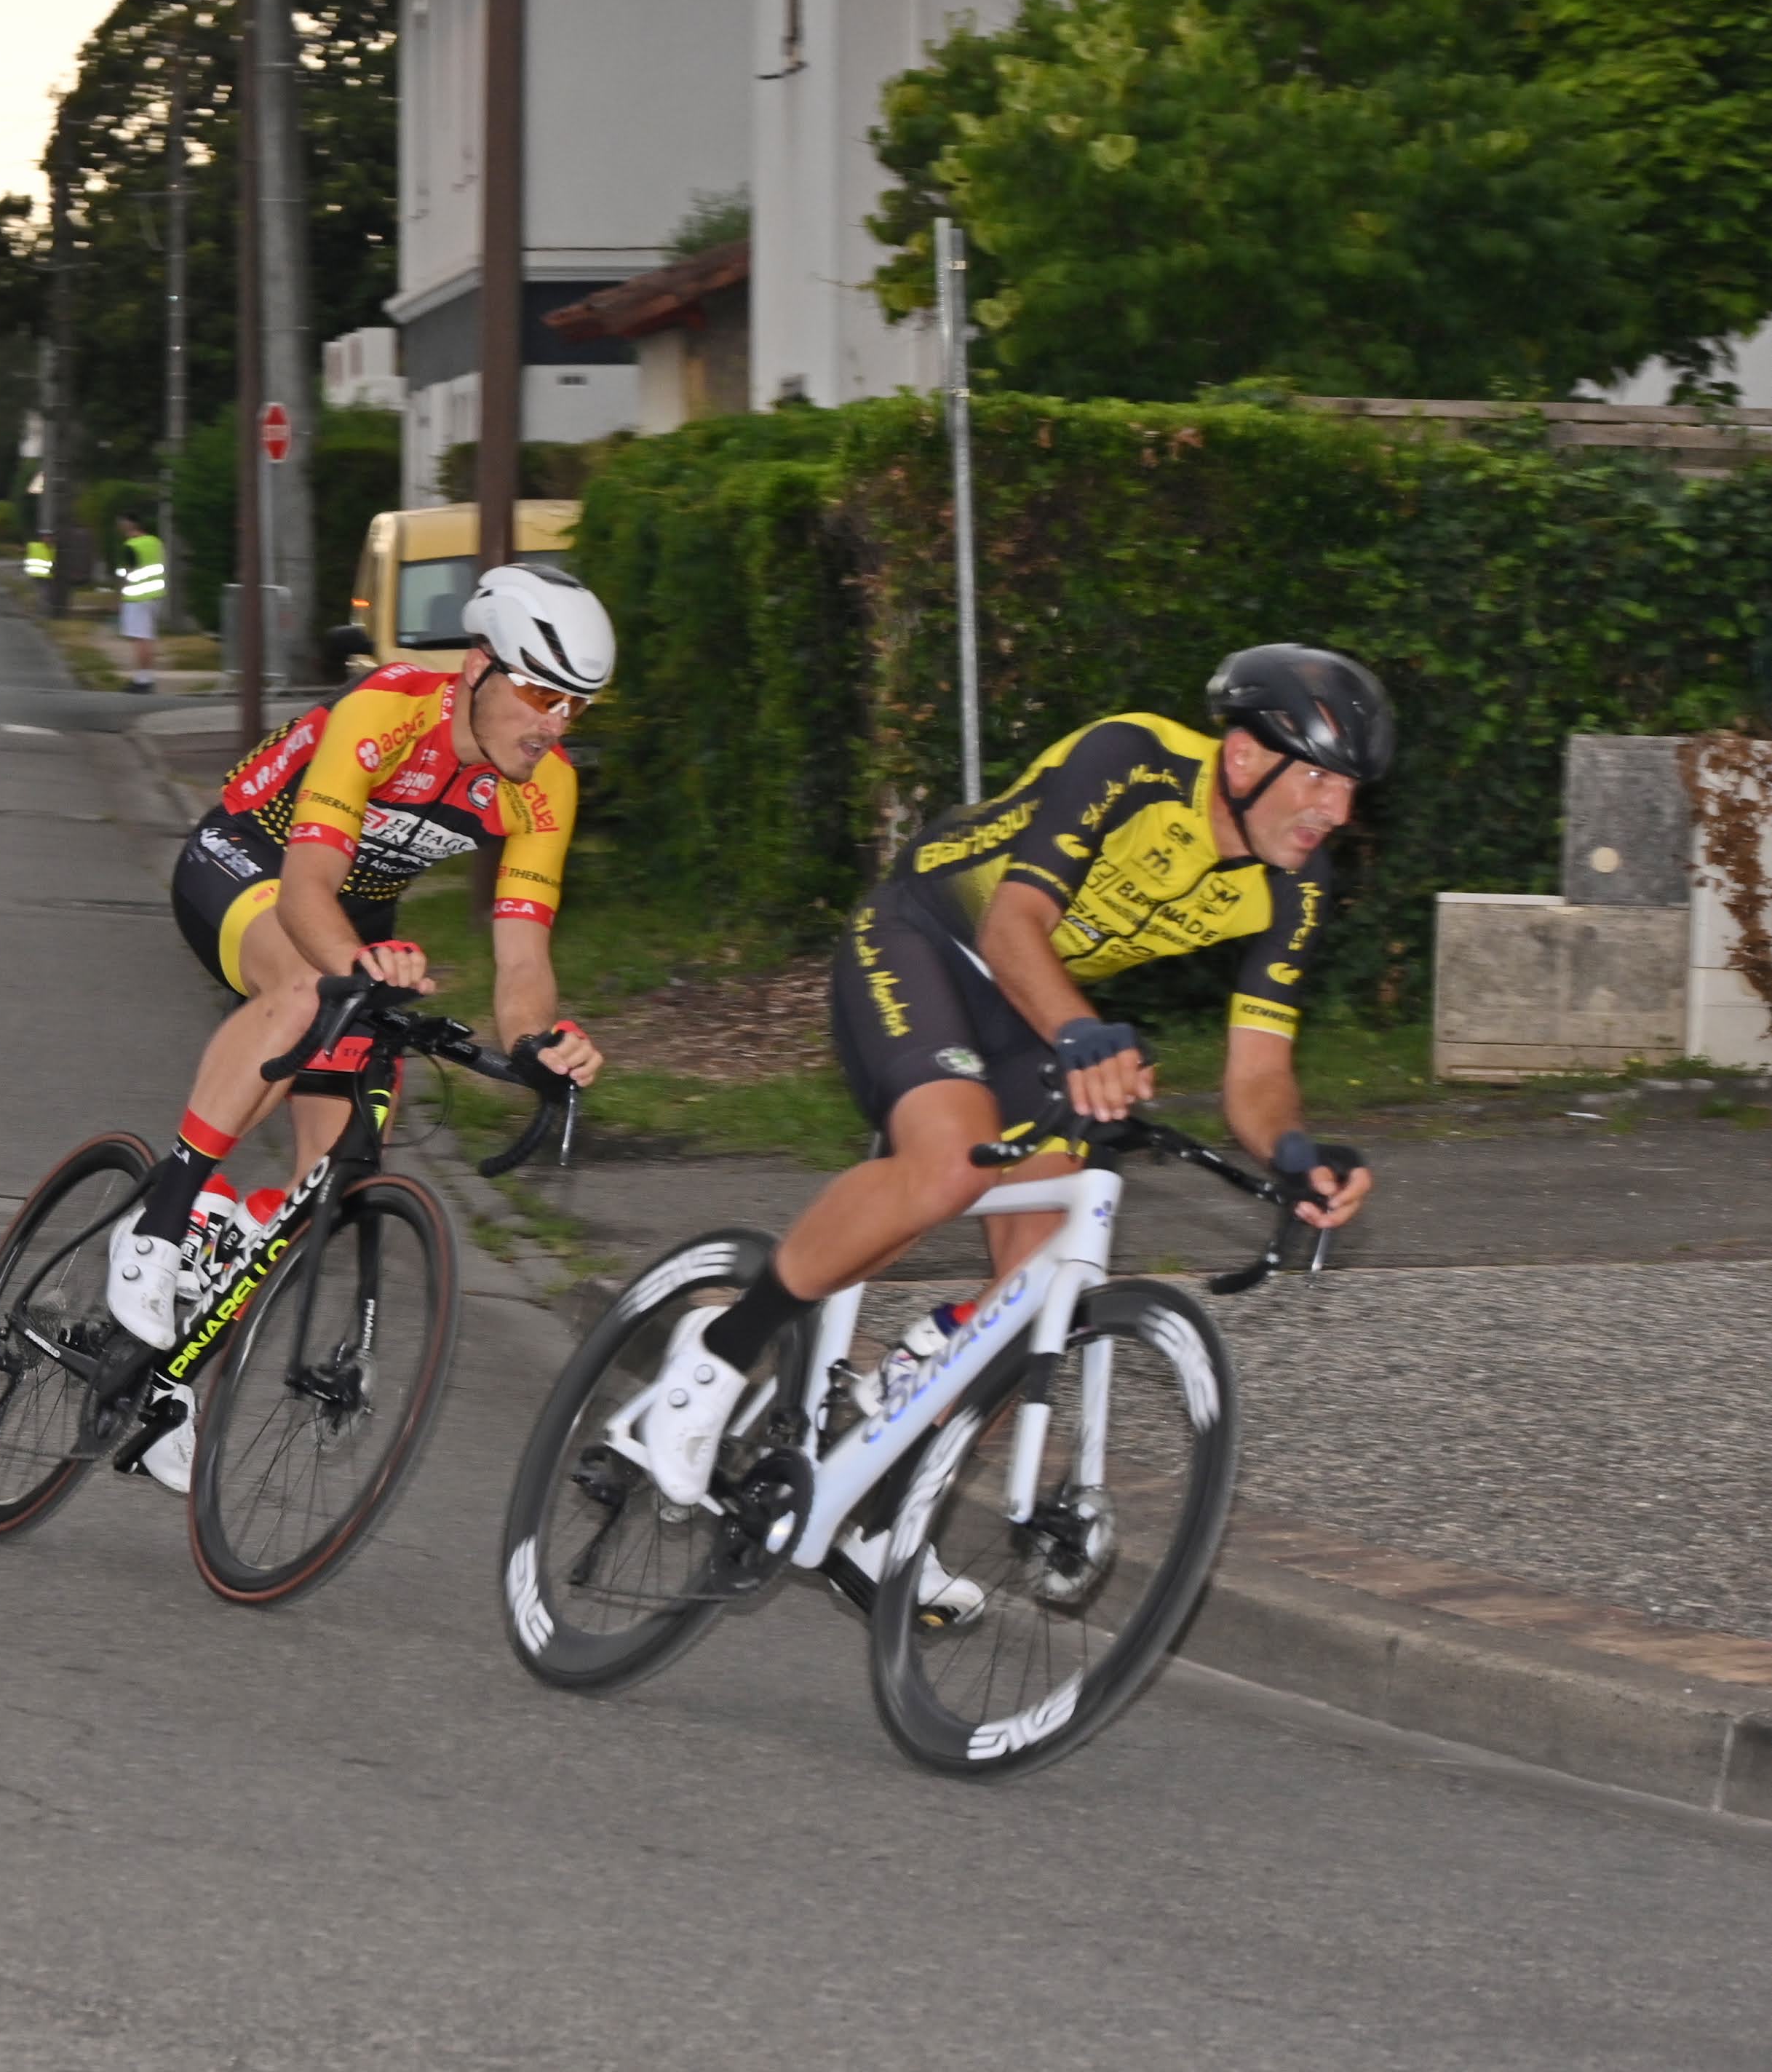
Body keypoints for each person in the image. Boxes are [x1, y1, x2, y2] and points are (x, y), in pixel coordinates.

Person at [637, 646, 1393, 1603]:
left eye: (1349, 790)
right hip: (926, 937)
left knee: (1032, 1295)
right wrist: (1079, 1032)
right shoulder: (1132, 761)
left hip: (1029, 1011)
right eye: (1320, 780)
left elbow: (1258, 1070)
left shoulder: (1295, 883)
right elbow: (1010, 925)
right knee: (950, 1165)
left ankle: (877, 1519)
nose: (1336, 811)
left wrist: (1293, 1153)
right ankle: (715, 1355)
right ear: (1243, 758)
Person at [113, 563, 615, 1491]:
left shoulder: (545, 785)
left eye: (576, 705)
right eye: (542, 694)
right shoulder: (387, 710)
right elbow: (307, 887)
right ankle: (163, 1217)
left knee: (326, 1184)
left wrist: (535, 1044)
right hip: (251, 859)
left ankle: (167, 1385)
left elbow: (521, 958)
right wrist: (355, 965)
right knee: (309, 988)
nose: (555, 724)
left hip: (358, 915)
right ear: (477, 667)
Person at [115, 513, 166, 693]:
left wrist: (118, 598)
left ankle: (142, 681)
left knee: (140, 640)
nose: (120, 528)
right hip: (155, 596)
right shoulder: (156, 542)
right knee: (148, 639)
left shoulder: (130, 546)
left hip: (136, 598)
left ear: (129, 524)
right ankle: (147, 678)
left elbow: (126, 574)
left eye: (121, 524)